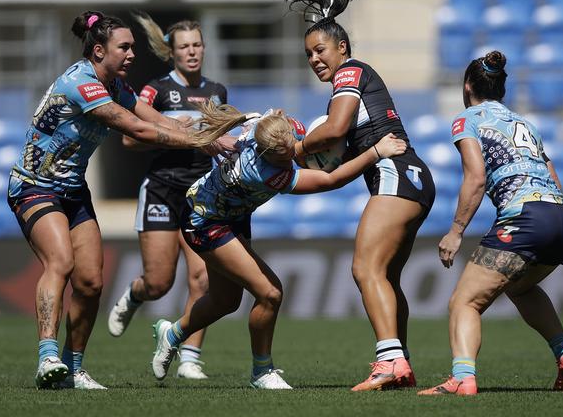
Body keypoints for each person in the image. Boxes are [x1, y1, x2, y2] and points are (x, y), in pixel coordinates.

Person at [7, 11, 228, 390]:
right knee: (60, 261)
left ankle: (73, 368)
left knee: (91, 282)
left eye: (132, 47)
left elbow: (158, 118)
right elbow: (139, 129)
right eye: (124, 47)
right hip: (35, 185)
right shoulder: (83, 83)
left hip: (72, 190)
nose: (131, 54)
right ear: (98, 50)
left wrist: (217, 136)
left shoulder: (117, 86)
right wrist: (199, 141)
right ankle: (47, 356)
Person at [149, 102, 408, 390]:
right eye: (284, 157)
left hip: (228, 213)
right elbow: (329, 179)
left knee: (226, 301)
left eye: (292, 148)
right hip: (204, 222)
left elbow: (290, 138)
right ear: (266, 155)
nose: (293, 157)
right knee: (270, 292)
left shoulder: (267, 129)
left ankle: (171, 334)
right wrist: (374, 152)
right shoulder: (265, 173)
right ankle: (261, 371)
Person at [283, 0, 435, 391]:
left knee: (365, 268)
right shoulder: (353, 90)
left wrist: (295, 148)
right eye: (308, 54)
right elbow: (344, 166)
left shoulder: (350, 73)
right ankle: (399, 365)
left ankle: (388, 363)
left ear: (342, 48)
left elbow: (331, 130)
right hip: (413, 177)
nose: (314, 59)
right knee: (385, 276)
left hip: (396, 173)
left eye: (320, 51)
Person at [418, 50, 563, 396]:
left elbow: (475, 178)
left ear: (468, 85)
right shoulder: (525, 123)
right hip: (561, 215)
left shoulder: (468, 118)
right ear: (501, 88)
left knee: (464, 302)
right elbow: (553, 177)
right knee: (520, 288)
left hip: (527, 217)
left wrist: (455, 231)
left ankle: (462, 378)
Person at [107, 14, 227, 379]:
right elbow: (129, 138)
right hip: (162, 188)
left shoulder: (217, 92)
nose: (191, 52)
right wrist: (173, 129)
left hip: (200, 193)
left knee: (203, 279)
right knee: (159, 283)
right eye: (184, 46)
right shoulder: (155, 90)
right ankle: (134, 295)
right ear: (171, 53)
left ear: (204, 48)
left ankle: (189, 357)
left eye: (197, 45)